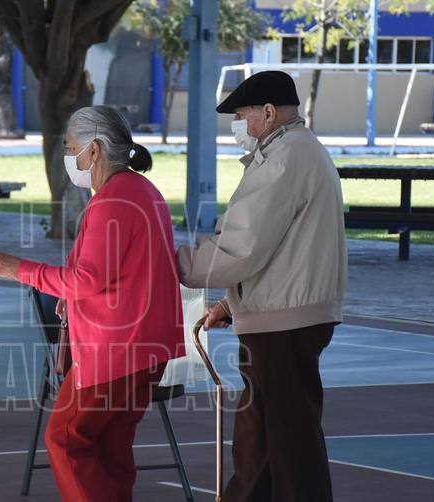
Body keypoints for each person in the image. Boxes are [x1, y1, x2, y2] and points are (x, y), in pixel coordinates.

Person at [0, 105, 185, 502]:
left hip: (115, 350)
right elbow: (123, 273)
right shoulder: (144, 192)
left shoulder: (113, 200)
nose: (68, 157)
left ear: (94, 150)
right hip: (148, 347)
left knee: (67, 439)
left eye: (71, 147)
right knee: (112, 447)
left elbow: (85, 280)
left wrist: (20, 269)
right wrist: (70, 299)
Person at [177, 71, 347, 502]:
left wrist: (179, 265)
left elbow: (243, 243)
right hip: (279, 316)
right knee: (260, 436)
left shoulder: (287, 157)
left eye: (242, 116)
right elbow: (284, 248)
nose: (240, 127)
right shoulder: (293, 153)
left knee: (288, 440)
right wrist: (233, 305)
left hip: (284, 323)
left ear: (268, 113)